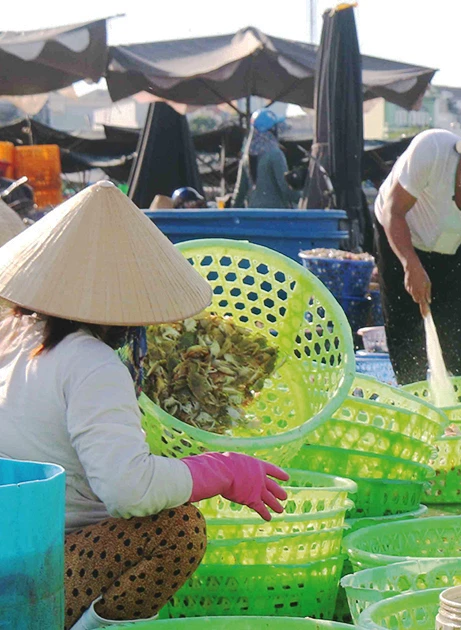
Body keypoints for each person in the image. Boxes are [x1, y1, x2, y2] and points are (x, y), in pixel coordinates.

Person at [0, 182, 288, 630]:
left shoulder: (12, 337)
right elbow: (127, 490)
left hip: (10, 550)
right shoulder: (91, 364)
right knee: (178, 530)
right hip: (35, 575)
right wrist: (219, 471)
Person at [372, 128, 461, 384]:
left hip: (452, 243)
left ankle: (451, 395)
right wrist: (410, 264)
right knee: (404, 324)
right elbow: (393, 212)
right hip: (398, 229)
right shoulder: (433, 149)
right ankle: (410, 389)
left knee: (453, 326)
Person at [232, 110, 301, 209]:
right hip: (275, 216)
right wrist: (304, 198)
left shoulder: (246, 157)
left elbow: (239, 193)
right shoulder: (275, 154)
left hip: (253, 216)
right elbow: (286, 189)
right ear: (272, 130)